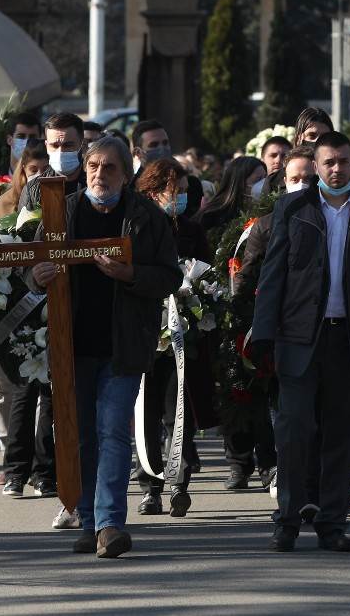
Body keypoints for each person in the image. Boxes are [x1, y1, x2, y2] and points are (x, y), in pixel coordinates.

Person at [29, 136, 181, 559]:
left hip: (123, 345)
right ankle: (90, 522)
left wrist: (129, 273)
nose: (100, 174)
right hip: (71, 343)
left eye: (109, 167)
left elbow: (170, 277)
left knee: (113, 430)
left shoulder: (146, 216)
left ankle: (110, 524)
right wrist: (36, 276)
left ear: (125, 173)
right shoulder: (65, 211)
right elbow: (32, 265)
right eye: (93, 165)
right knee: (81, 438)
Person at [253, 131, 350, 553]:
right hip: (300, 338)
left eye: (342, 160)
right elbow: (273, 276)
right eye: (328, 162)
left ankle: (332, 524)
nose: (336, 169)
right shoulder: (293, 208)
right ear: (316, 166)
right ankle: (286, 519)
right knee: (294, 429)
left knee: (342, 436)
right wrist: (263, 333)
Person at [226, 148, 316, 493]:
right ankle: (282, 470)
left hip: (321, 330)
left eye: (309, 178)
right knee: (283, 408)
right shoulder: (265, 226)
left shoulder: (339, 221)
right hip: (280, 331)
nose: (302, 185)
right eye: (295, 179)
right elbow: (248, 279)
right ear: (282, 184)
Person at [132, 157, 213, 517]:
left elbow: (207, 276)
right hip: (145, 333)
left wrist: (194, 296)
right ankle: (150, 485)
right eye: (173, 190)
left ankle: (180, 480)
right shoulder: (135, 226)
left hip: (184, 336)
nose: (179, 197)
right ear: (151, 191)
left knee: (178, 411)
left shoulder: (192, 231)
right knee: (146, 413)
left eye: (182, 191)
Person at [0, 138, 51, 487]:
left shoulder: (65, 203)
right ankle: (17, 469)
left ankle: (46, 471)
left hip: (54, 310)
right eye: (33, 171)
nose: (40, 177)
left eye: (46, 170)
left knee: (50, 394)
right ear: (22, 172)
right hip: (17, 309)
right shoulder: (9, 204)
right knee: (21, 391)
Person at [19, 112, 86, 211]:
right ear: (46, 146)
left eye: (68, 145)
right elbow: (26, 225)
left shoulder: (95, 183)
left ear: (82, 145)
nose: (61, 152)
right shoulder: (34, 189)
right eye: (54, 146)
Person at [194, 155, 265, 235]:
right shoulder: (212, 217)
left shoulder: (266, 212)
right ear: (240, 184)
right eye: (258, 179)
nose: (263, 184)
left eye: (265, 178)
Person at [4, 111, 42, 176]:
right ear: (9, 140)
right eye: (21, 136)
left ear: (41, 140)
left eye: (32, 137)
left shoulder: (52, 179)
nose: (27, 141)